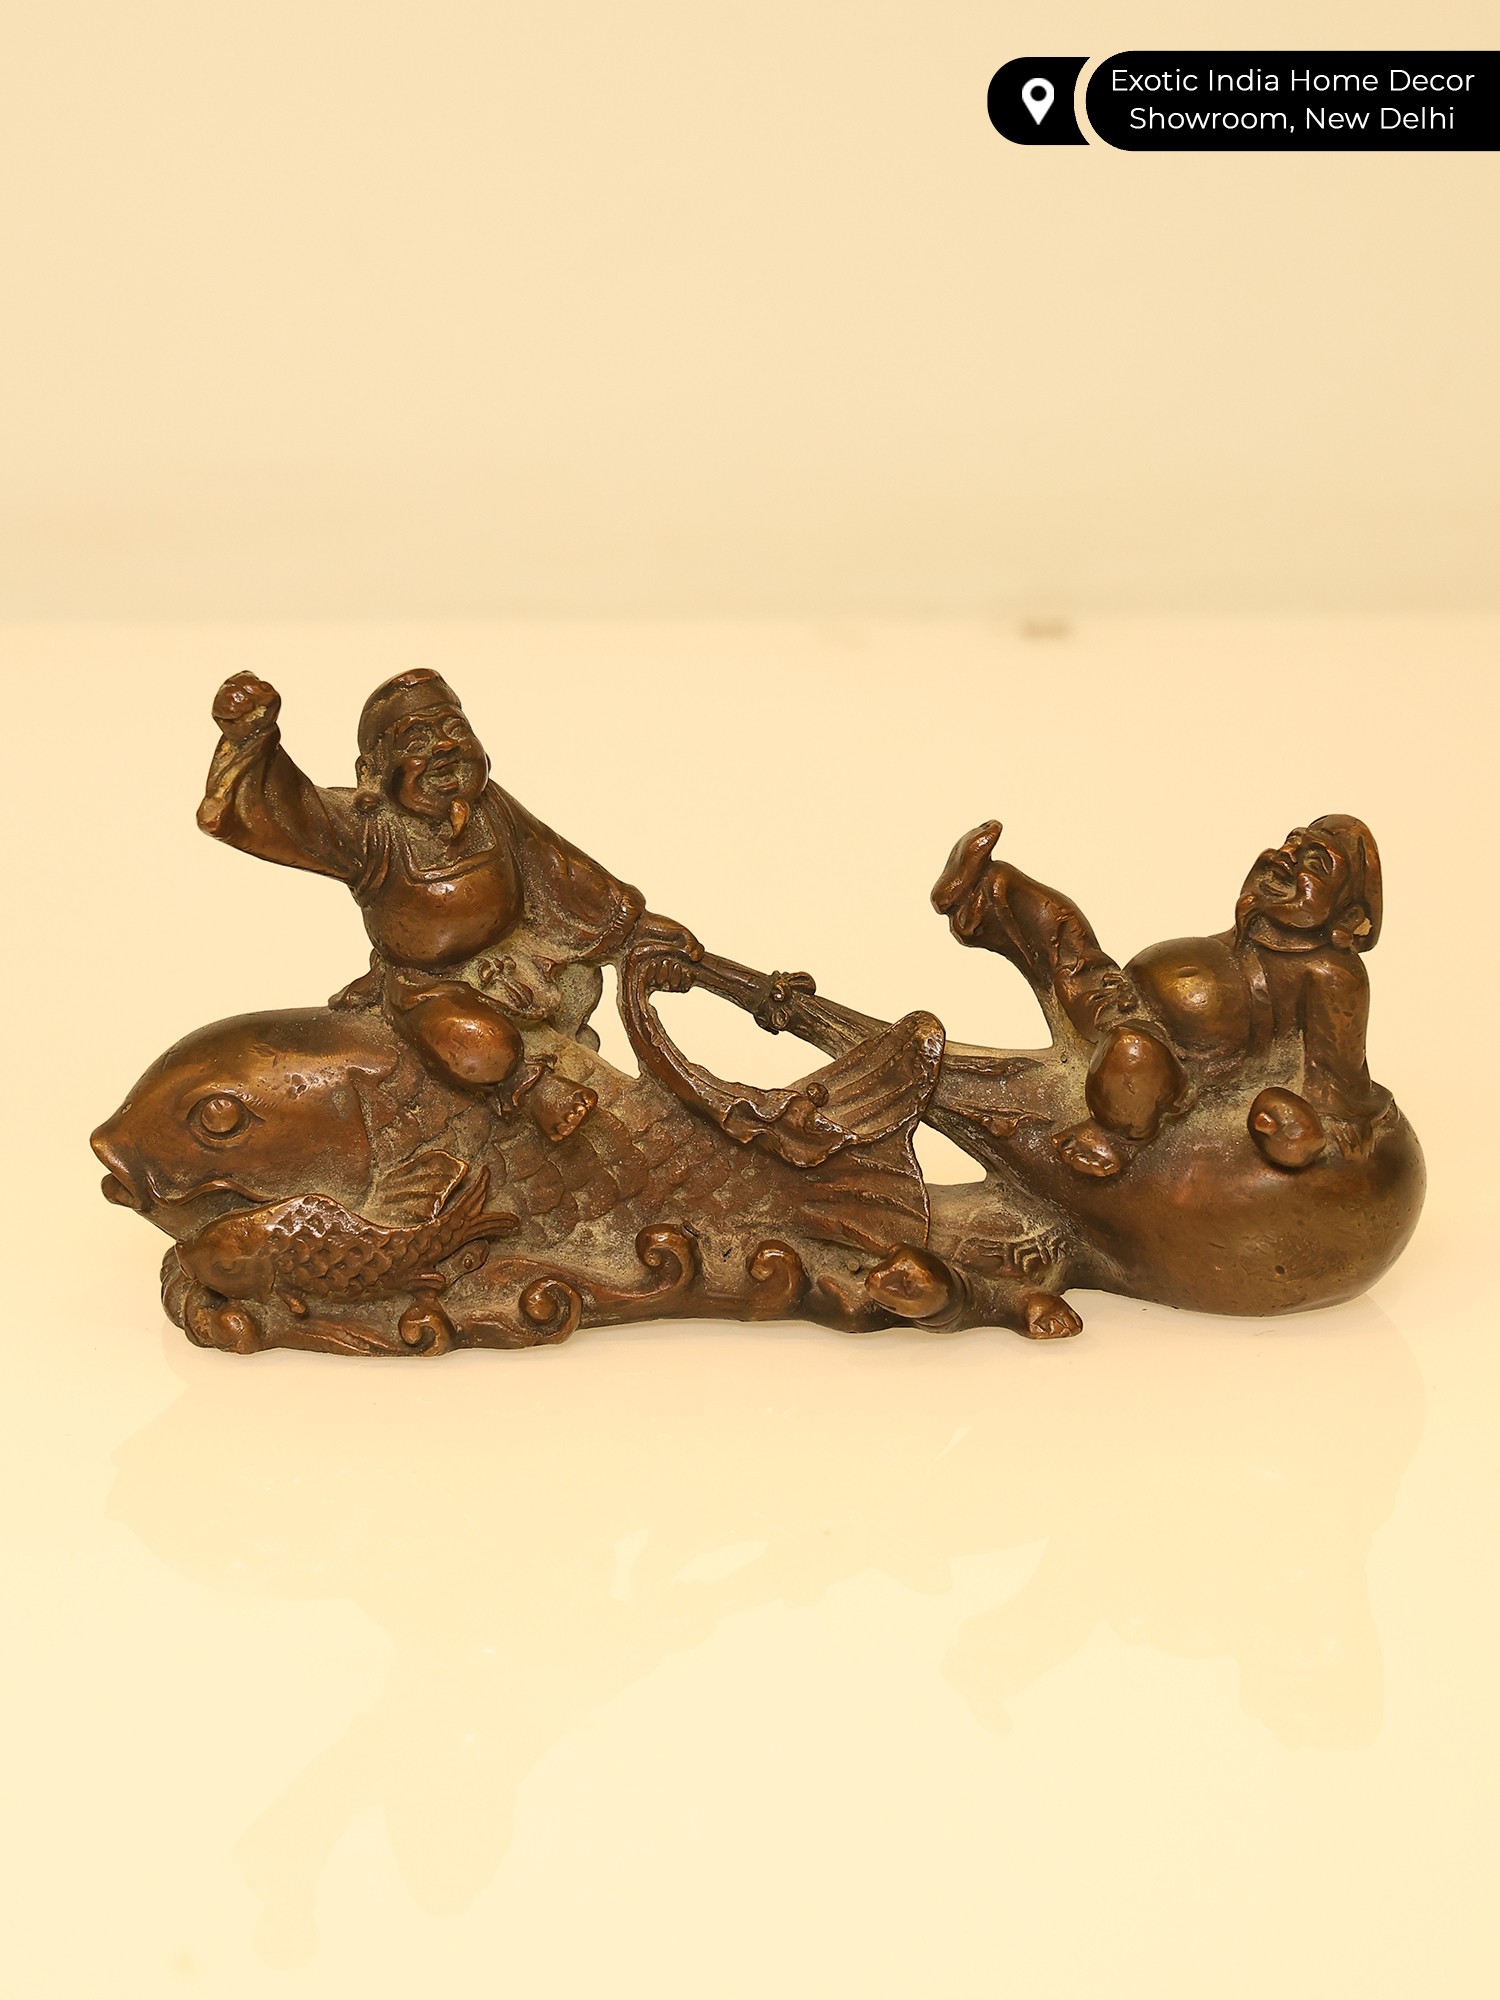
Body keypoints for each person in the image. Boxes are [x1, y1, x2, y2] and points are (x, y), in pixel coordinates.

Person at [200, 669, 696, 1139]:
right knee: (475, 1041)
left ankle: (573, 1052)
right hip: (428, 983)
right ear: (372, 771)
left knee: (581, 977)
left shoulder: (491, 806)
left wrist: (634, 924)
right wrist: (252, 739)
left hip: (519, 956)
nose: (442, 747)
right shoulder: (371, 830)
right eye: (416, 741)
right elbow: (293, 815)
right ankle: (529, 1089)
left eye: (455, 730)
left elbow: (558, 867)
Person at [933, 814, 1389, 1176]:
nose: (1287, 858)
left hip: (1181, 1059)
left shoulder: (1332, 973)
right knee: (1062, 929)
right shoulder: (1260, 923)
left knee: (1132, 1057)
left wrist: (1337, 1119)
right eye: (1291, 845)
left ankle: (1118, 1137)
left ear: (1348, 914)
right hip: (1119, 995)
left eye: (1315, 864)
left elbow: (1335, 1068)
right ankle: (984, 887)